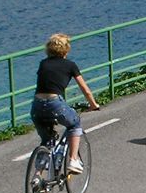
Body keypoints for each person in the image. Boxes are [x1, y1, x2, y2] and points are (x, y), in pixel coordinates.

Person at [30, 33, 99, 174]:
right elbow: (85, 90)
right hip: (55, 104)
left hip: (36, 106)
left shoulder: (43, 63)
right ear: (66, 49)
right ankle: (73, 160)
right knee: (74, 124)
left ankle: (38, 176)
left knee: (47, 141)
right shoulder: (70, 65)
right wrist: (93, 105)